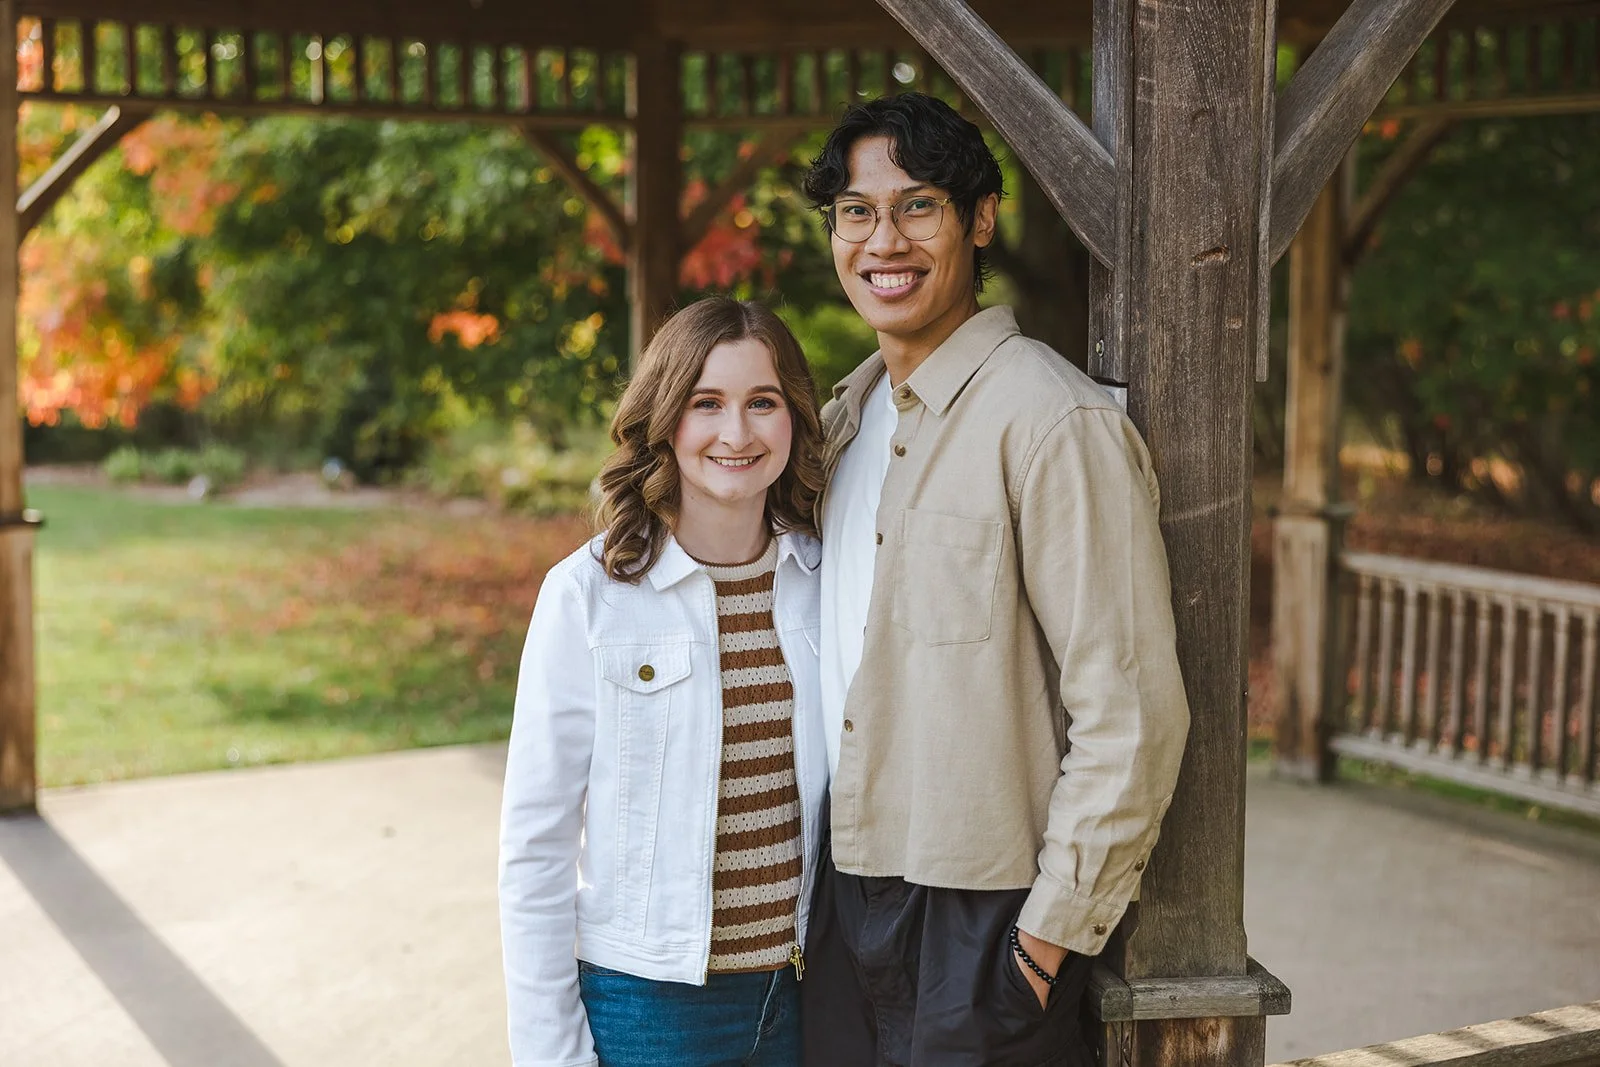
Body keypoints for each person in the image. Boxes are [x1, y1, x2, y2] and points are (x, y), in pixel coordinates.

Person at [799, 92, 1192, 1065]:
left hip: (982, 921)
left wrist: (1043, 937)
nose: (882, 238)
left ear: (979, 220)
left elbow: (1132, 710)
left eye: (917, 204)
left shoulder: (1050, 421)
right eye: (856, 210)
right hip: (842, 893)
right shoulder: (841, 423)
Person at [498, 297, 827, 1067]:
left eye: (762, 403)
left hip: (808, 996)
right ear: (664, 415)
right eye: (705, 403)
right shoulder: (588, 594)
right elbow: (535, 845)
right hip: (651, 1008)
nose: (736, 433)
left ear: (793, 418)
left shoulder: (824, 576)